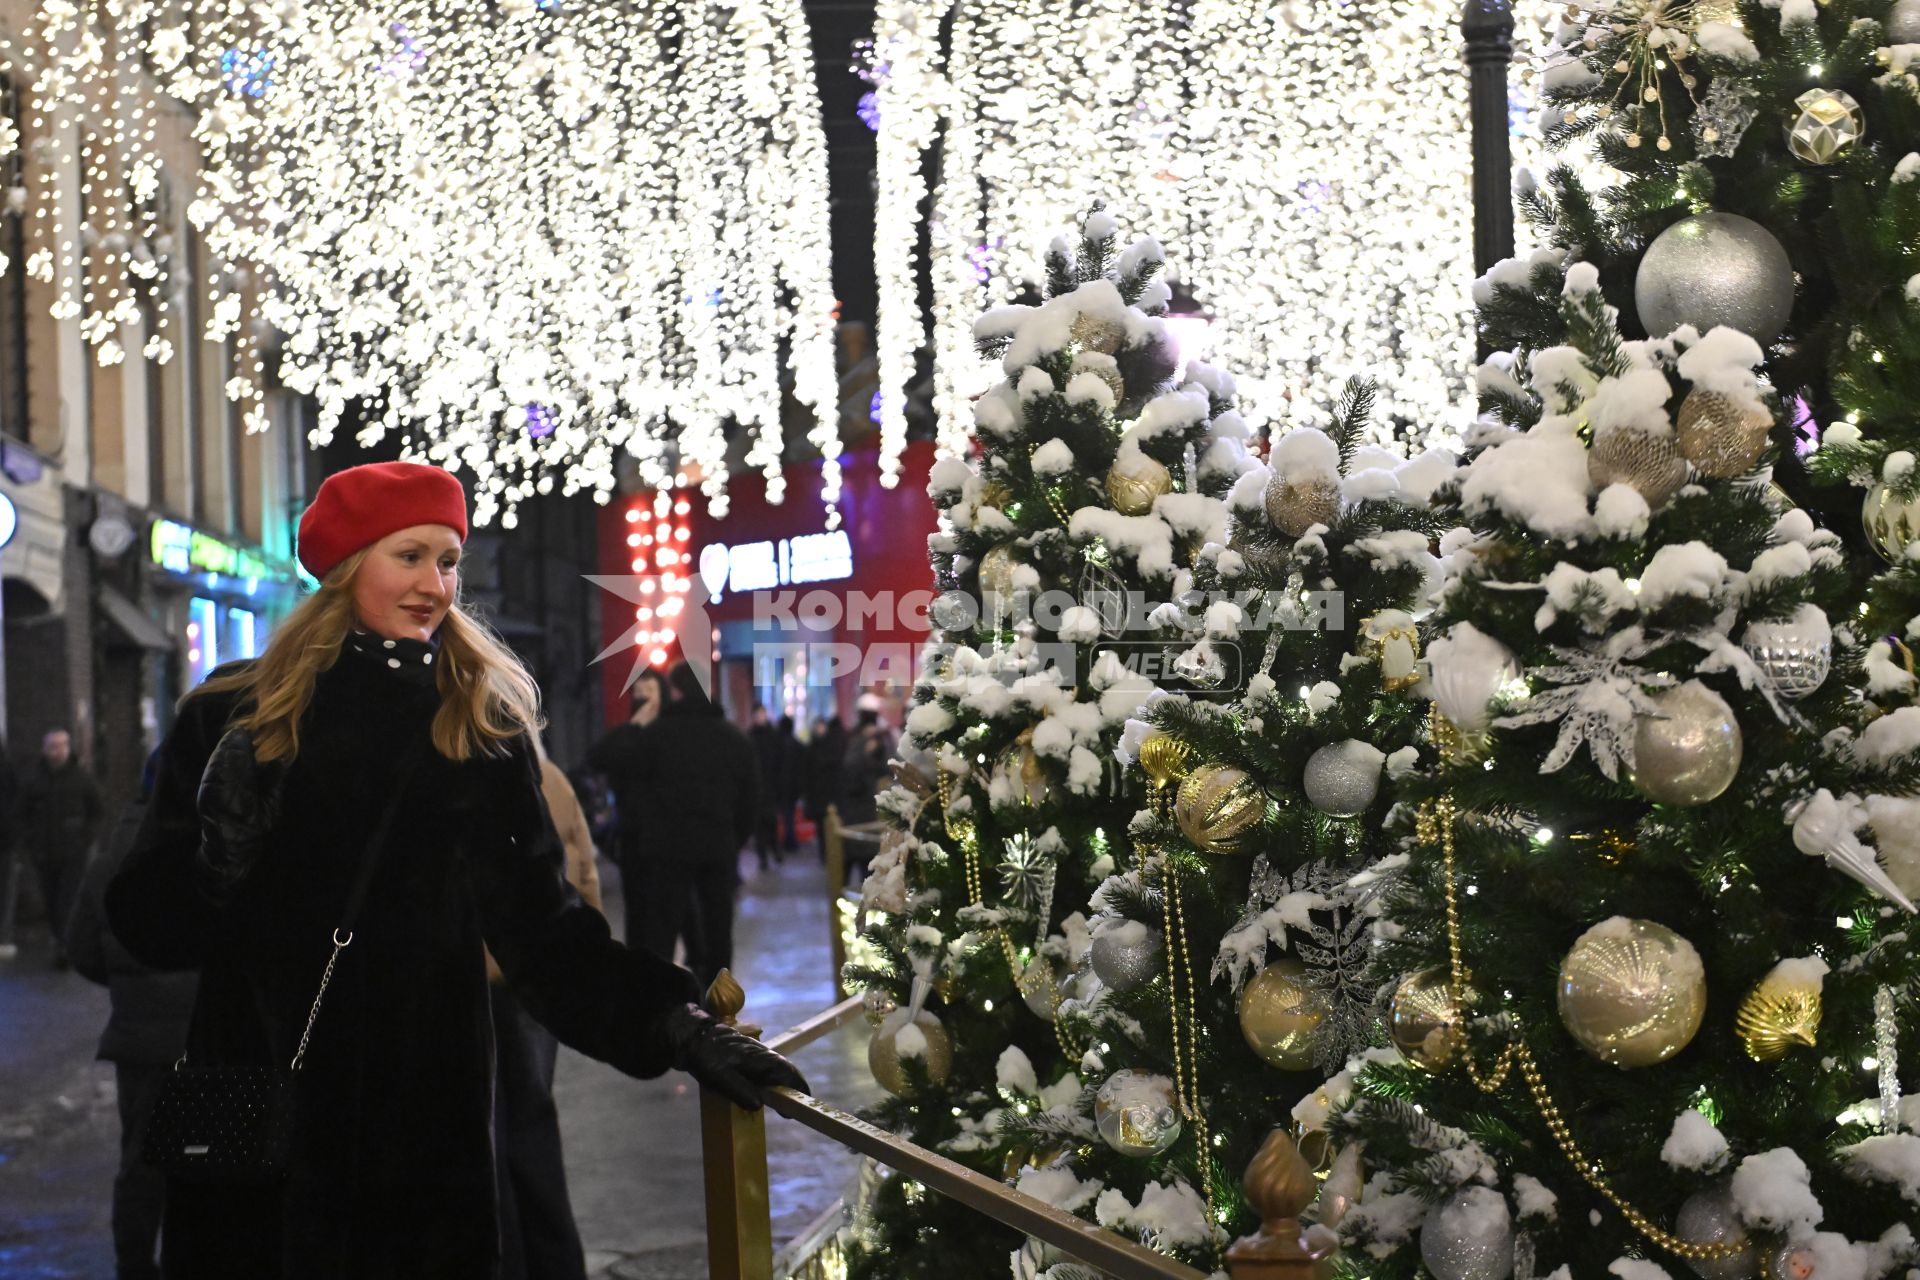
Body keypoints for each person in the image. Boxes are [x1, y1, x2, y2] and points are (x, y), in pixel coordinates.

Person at [105, 461, 805, 1280]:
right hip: (262, 1141)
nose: (435, 585)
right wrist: (216, 861)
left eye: (447, 561)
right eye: (409, 556)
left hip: (420, 1159)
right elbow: (143, 926)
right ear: (345, 568)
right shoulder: (231, 718)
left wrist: (673, 1024)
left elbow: (545, 934)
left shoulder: (471, 727)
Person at [66, 748, 196, 1280]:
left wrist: (127, 988)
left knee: (140, 1166)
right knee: (205, 1164)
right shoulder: (210, 850)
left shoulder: (109, 860)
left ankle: (135, 1266)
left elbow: (81, 947)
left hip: (138, 1044)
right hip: (203, 1036)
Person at [487, 741, 602, 1280]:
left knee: (497, 1124)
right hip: (538, 969)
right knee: (532, 1115)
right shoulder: (549, 775)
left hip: (482, 978)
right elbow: (582, 863)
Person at [592, 664, 758, 988]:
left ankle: (663, 1005)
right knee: (717, 932)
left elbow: (602, 759)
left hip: (665, 851)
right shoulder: (733, 739)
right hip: (717, 848)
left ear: (675, 691)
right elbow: (751, 801)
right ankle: (719, 1004)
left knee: (661, 933)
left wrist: (637, 723)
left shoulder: (655, 736)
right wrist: (732, 839)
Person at [586, 668, 669, 941]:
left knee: (669, 913)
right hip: (633, 835)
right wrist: (635, 727)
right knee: (637, 910)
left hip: (669, 836)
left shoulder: (672, 733)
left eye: (650, 692)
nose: (644, 698)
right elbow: (597, 758)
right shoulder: (624, 734)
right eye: (639, 692)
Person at [20, 726, 104, 968]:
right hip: (44, 852)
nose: (56, 752)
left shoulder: (81, 779)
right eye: (52, 746)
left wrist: (85, 838)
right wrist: (31, 840)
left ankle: (64, 945)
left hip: (72, 852)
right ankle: (61, 940)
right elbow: (21, 813)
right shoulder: (34, 780)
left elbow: (96, 811)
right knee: (52, 898)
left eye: (60, 746)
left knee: (67, 899)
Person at [839, 706, 894, 828]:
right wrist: (866, 753)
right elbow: (851, 766)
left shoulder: (878, 742)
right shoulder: (857, 742)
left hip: (871, 796)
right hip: (857, 797)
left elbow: (886, 767)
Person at [802, 716, 846, 863]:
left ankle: (833, 852)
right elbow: (807, 773)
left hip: (830, 793)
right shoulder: (811, 748)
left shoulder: (831, 747)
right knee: (821, 826)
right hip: (817, 794)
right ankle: (824, 853)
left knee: (832, 823)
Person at [748, 705, 784, 871]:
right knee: (759, 824)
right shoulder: (750, 736)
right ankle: (763, 856)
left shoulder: (773, 735)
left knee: (770, 821)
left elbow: (779, 760)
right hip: (756, 787)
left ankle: (775, 848)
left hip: (770, 786)